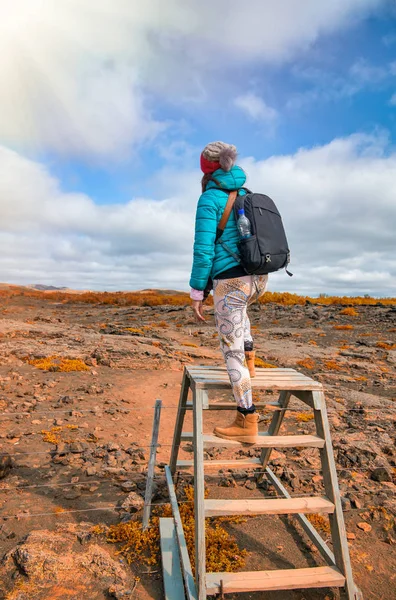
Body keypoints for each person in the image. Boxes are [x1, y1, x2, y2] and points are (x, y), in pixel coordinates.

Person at [189, 141, 268, 443]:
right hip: (258, 279)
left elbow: (203, 249)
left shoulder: (209, 199)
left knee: (229, 349)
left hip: (231, 282)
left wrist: (198, 291)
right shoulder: (247, 194)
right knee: (241, 316)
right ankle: (251, 363)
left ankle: (246, 419)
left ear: (206, 169)